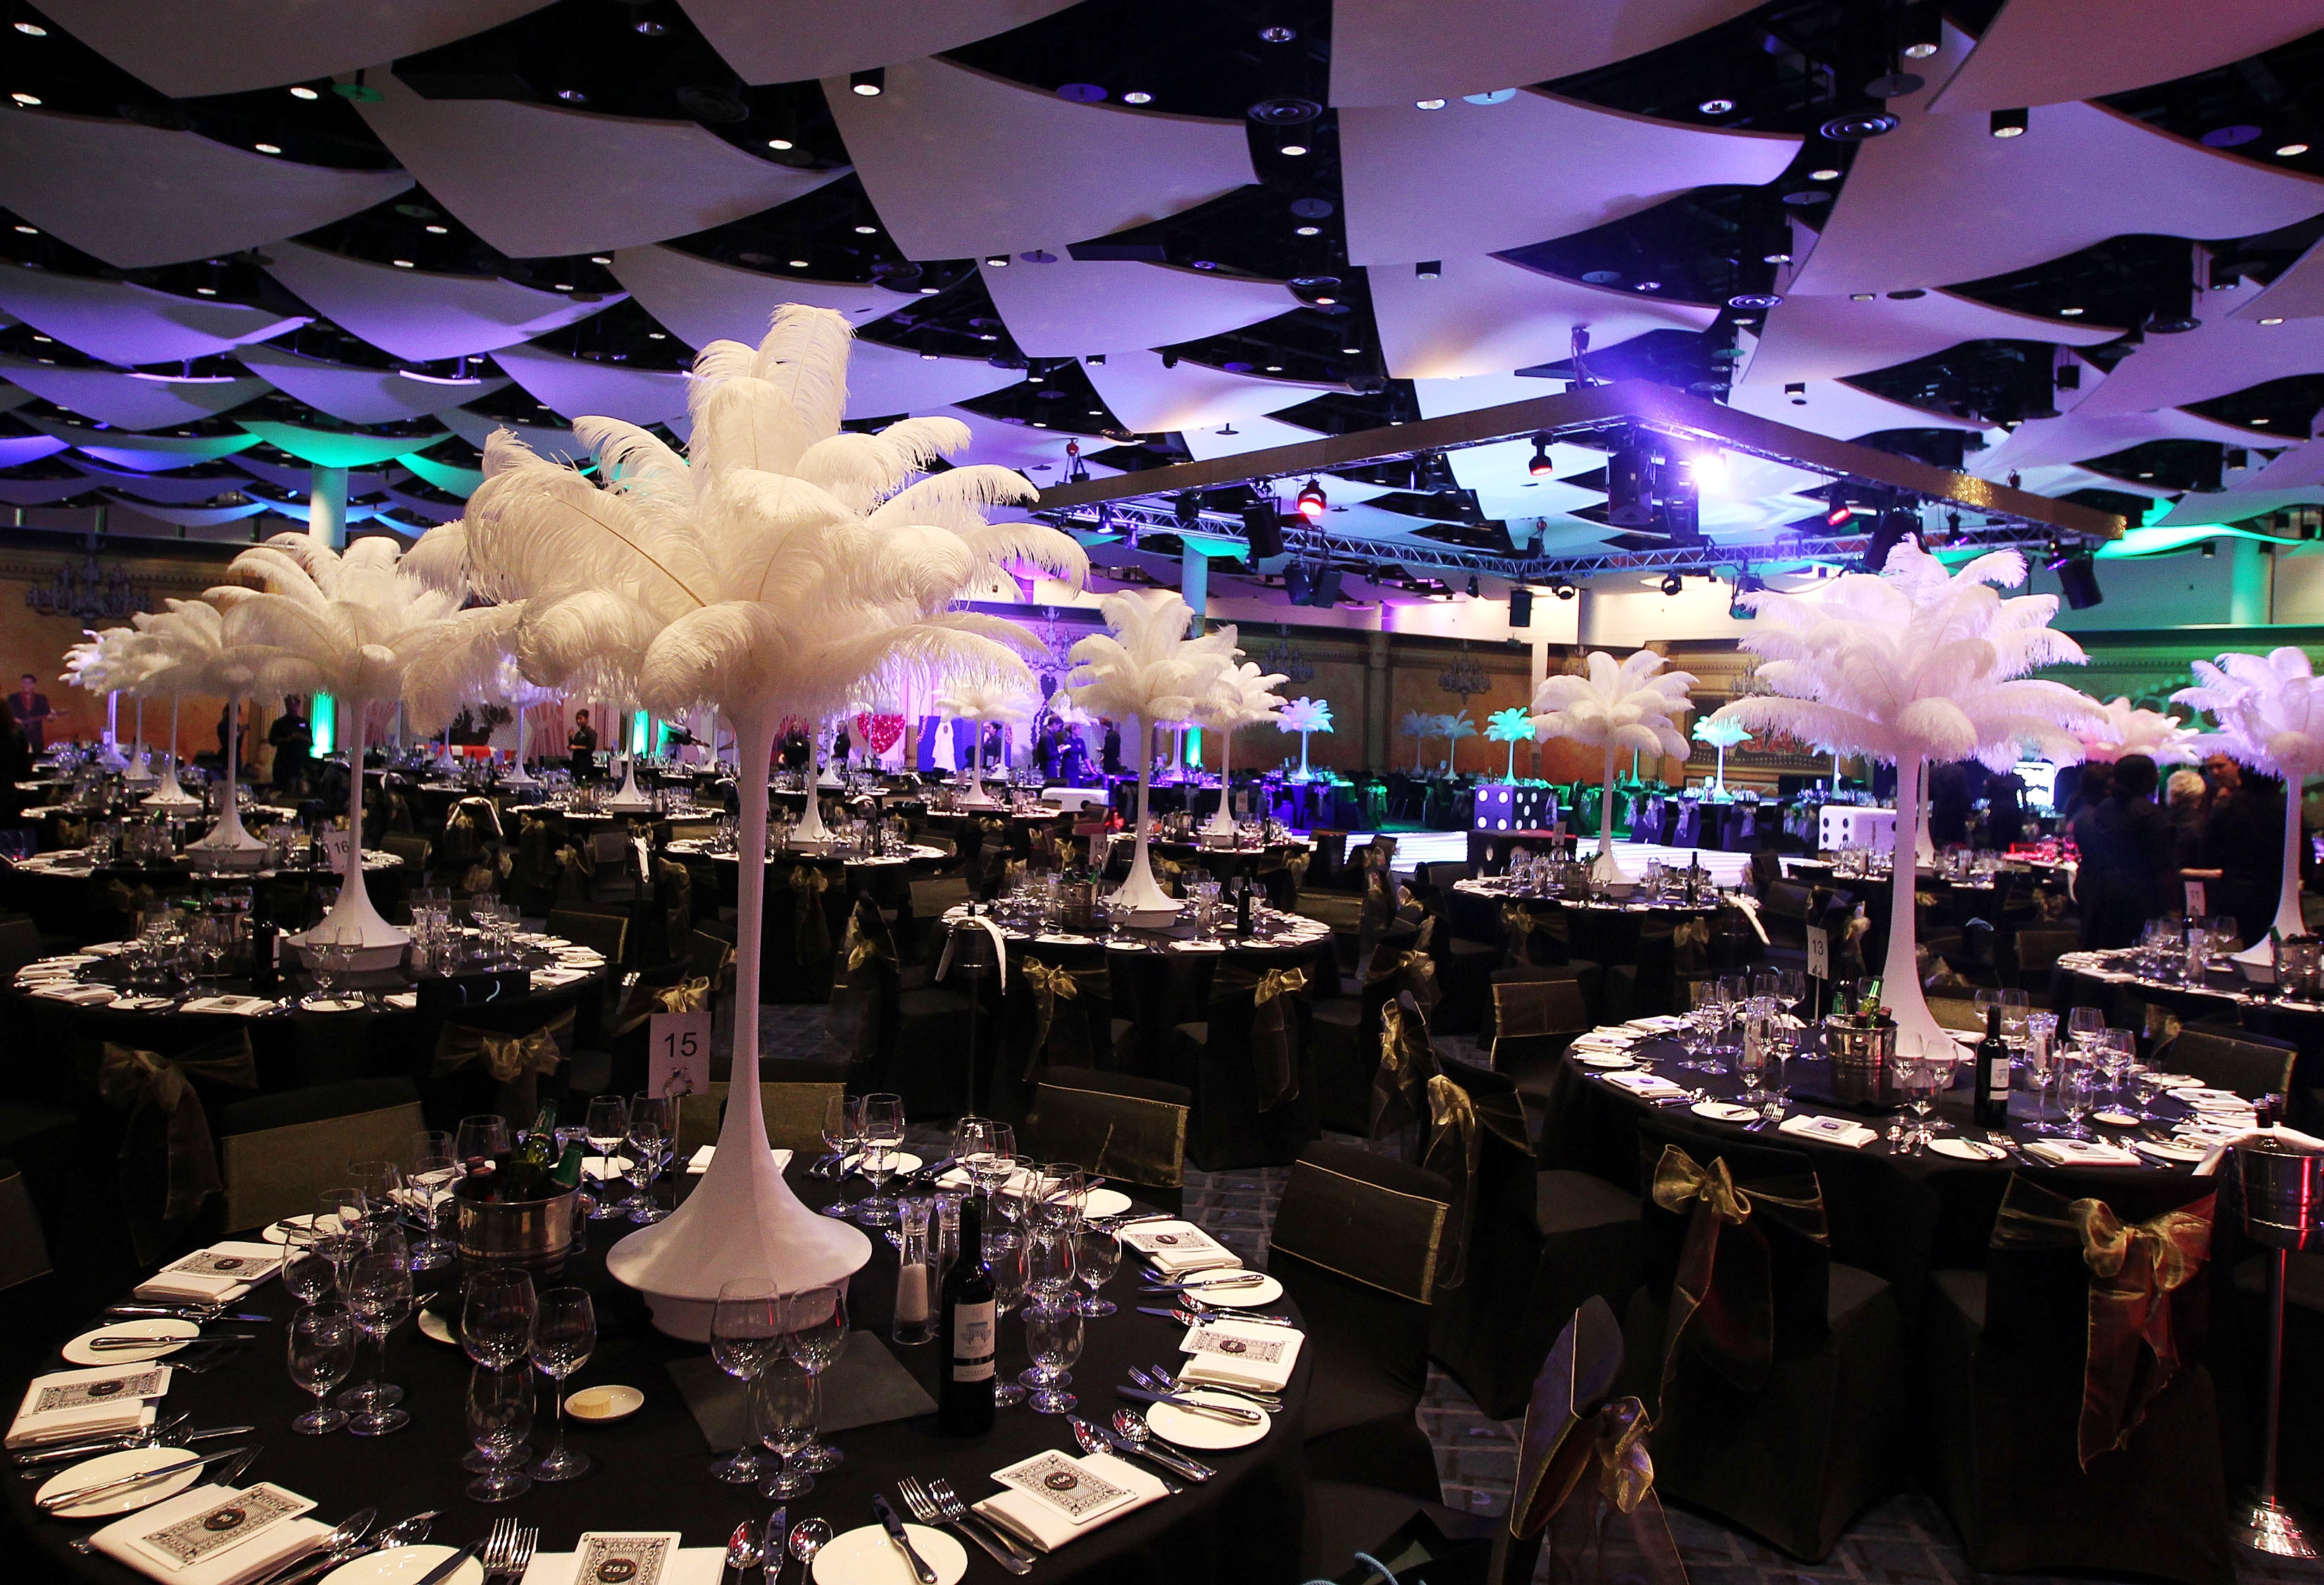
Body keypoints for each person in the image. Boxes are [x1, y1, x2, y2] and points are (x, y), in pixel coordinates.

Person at [2071, 754, 2176, 949]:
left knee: (2105, 949)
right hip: (2141, 895)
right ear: (2144, 779)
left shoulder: (2104, 808)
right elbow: (2162, 863)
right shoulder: (2150, 814)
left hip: (2103, 889)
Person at [268, 696, 312, 795]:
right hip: (284, 762)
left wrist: (301, 737)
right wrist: (288, 739)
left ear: (298, 706)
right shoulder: (279, 723)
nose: (292, 708)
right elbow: (272, 740)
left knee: (300, 790)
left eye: (294, 705)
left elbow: (310, 741)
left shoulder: (304, 723)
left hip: (300, 762)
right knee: (282, 790)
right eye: (289, 705)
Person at [6, 674, 52, 752]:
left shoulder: (41, 698)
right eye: (24, 683)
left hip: (36, 735)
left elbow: (47, 714)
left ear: (34, 685)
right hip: (18, 734)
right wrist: (14, 719)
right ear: (21, 684)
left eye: (29, 683)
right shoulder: (12, 698)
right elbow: (7, 714)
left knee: (37, 757)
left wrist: (51, 716)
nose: (26, 685)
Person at [567, 709, 598, 780]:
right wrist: (570, 738)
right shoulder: (578, 734)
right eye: (577, 719)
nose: (578, 721)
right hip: (576, 763)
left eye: (580, 719)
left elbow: (591, 747)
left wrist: (577, 747)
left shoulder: (591, 733)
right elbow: (573, 746)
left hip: (585, 764)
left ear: (586, 720)